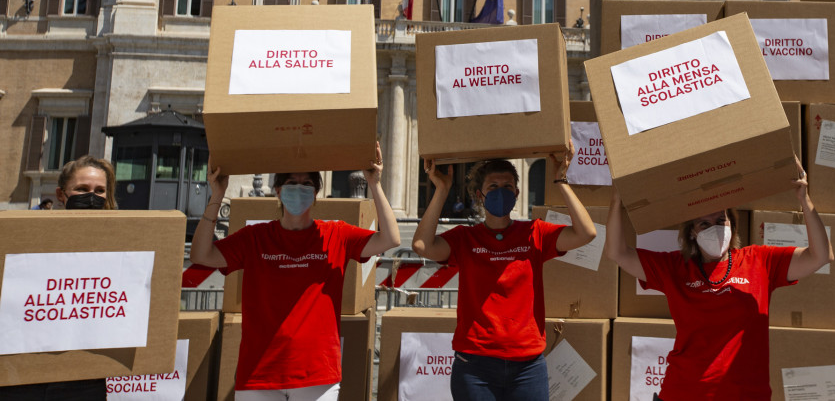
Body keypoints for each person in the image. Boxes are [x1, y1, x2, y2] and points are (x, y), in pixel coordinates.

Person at [603, 160, 830, 401]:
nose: (716, 228)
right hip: (683, 393)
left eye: (721, 221)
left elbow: (821, 256)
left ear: (732, 224)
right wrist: (617, 199)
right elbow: (617, 252)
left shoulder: (760, 261)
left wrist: (805, 200)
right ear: (692, 232)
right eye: (705, 223)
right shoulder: (674, 268)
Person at [189, 147, 400, 401]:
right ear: (278, 191)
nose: (299, 188)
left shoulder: (336, 235)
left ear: (315, 194)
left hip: (316, 376)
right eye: (291, 183)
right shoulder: (254, 238)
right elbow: (201, 255)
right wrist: (217, 195)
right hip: (259, 374)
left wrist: (374, 184)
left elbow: (390, 238)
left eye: (307, 184)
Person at [412, 154, 596, 401]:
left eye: (508, 187)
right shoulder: (465, 238)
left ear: (517, 193)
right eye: (493, 187)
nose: (501, 192)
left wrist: (560, 180)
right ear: (480, 195)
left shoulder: (535, 232)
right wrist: (442, 189)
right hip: (475, 365)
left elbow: (587, 233)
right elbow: (422, 245)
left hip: (527, 366)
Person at [0, 156, 118, 401]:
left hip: (85, 377)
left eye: (99, 191)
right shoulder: (24, 236)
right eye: (82, 189)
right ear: (62, 195)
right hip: (21, 374)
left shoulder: (121, 244)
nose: (91, 197)